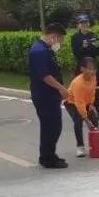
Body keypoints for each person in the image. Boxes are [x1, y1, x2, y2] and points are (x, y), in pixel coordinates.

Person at [29, 23, 69, 169]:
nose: (61, 43)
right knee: (50, 127)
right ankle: (47, 158)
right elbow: (45, 76)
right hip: (45, 95)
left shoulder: (44, 49)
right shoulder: (39, 51)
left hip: (50, 95)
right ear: (54, 37)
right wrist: (62, 88)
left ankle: (49, 154)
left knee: (53, 126)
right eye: (60, 40)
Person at [64, 57, 99, 157]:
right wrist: (86, 120)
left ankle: (96, 145)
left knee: (94, 119)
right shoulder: (78, 83)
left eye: (94, 69)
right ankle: (80, 147)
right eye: (89, 69)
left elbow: (92, 92)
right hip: (72, 103)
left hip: (85, 103)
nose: (92, 71)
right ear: (82, 69)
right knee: (78, 120)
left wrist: (91, 105)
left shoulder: (94, 78)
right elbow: (79, 103)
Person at [70, 13, 99, 117]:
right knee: (81, 87)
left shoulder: (93, 35)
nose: (85, 25)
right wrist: (83, 46)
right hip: (82, 65)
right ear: (78, 25)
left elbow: (98, 52)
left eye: (86, 22)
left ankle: (97, 110)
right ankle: (81, 110)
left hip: (93, 64)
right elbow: (76, 53)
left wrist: (97, 46)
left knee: (95, 87)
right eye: (82, 23)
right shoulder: (75, 37)